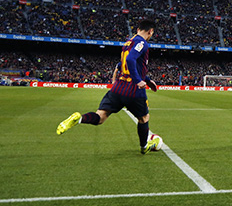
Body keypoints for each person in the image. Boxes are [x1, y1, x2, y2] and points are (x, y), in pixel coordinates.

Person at [56, 19, 161, 154]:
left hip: (118, 88)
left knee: (100, 117)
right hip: (133, 90)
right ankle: (144, 146)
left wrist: (146, 79)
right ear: (150, 31)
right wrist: (138, 81)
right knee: (144, 118)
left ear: (137, 29)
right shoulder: (142, 43)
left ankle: (79, 119)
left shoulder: (128, 43)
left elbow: (124, 66)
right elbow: (130, 60)